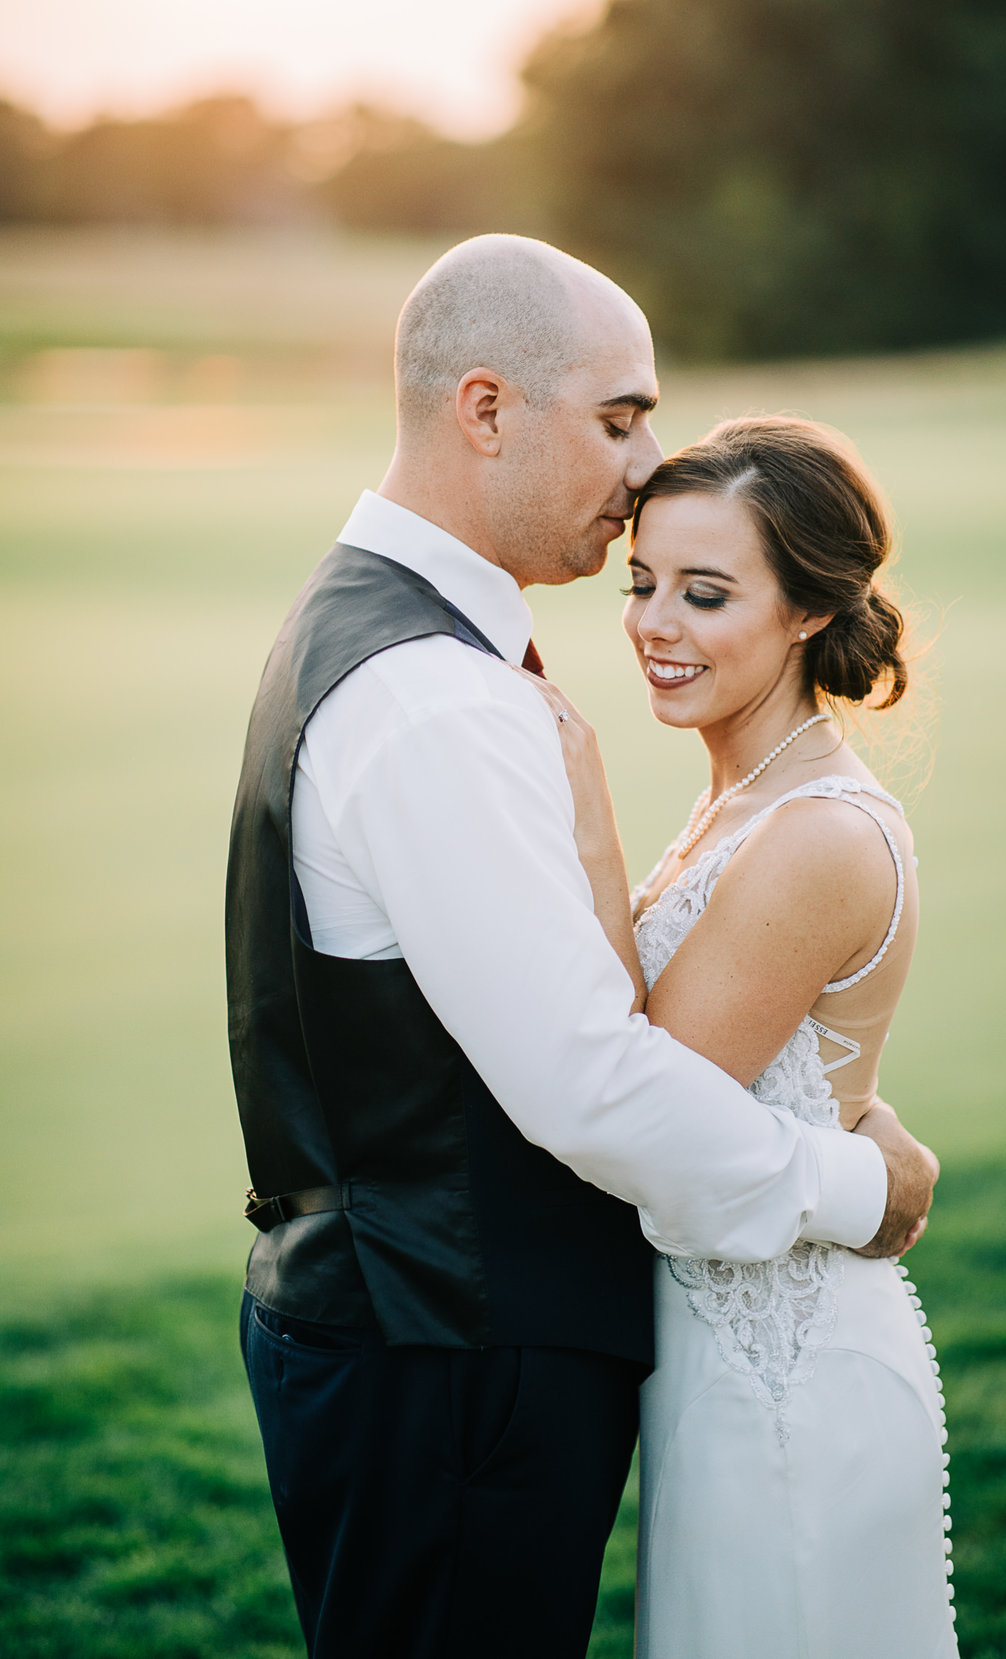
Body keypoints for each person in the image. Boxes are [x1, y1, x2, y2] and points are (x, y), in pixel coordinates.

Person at [225, 234, 939, 1657]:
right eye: (621, 417)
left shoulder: (384, 634)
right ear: (485, 408)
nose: (645, 459)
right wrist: (856, 1177)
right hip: (449, 1345)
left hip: (434, 1327)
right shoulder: (436, 694)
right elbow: (591, 1080)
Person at [523, 417, 957, 1654]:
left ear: (810, 610)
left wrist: (591, 834)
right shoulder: (741, 801)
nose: (655, 624)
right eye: (642, 583)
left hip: (787, 1375)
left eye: (705, 594)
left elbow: (649, 1097)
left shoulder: (816, 831)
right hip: (712, 1352)